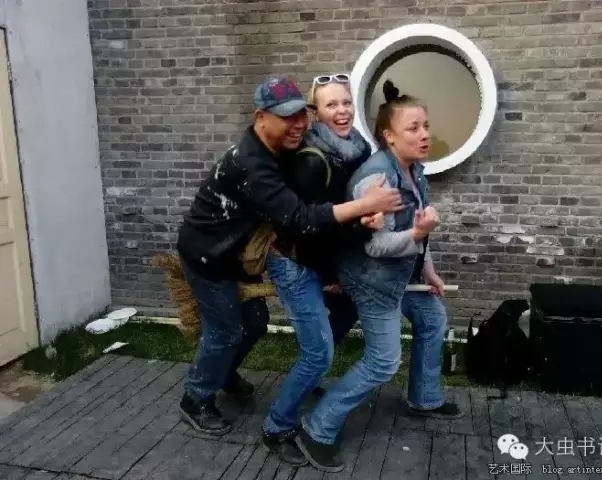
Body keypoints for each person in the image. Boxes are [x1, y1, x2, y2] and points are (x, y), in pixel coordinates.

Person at [175, 76, 403, 457]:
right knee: (226, 331)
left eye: (301, 114)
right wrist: (364, 206)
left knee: (255, 321)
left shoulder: (286, 147)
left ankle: (224, 374)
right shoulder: (250, 164)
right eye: (286, 117)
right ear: (260, 117)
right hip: (208, 255)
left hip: (239, 251)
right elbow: (300, 218)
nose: (298, 124)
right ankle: (195, 397)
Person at [294, 80, 462, 473]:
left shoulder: (414, 169)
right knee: (384, 360)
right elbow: (378, 246)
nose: (424, 135)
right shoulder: (376, 180)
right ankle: (317, 428)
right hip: (371, 279)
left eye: (426, 126)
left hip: (400, 271)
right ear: (389, 136)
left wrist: (429, 269)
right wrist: (418, 234)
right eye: (413, 128)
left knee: (432, 318)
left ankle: (424, 398)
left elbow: (418, 227)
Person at [260, 73, 383, 462]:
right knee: (319, 353)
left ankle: (309, 373)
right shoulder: (311, 161)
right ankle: (276, 427)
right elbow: (305, 226)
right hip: (295, 260)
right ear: (316, 113)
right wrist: (332, 272)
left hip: (324, 256)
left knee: (345, 312)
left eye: (346, 102)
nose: (342, 111)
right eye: (332, 104)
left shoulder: (357, 148)